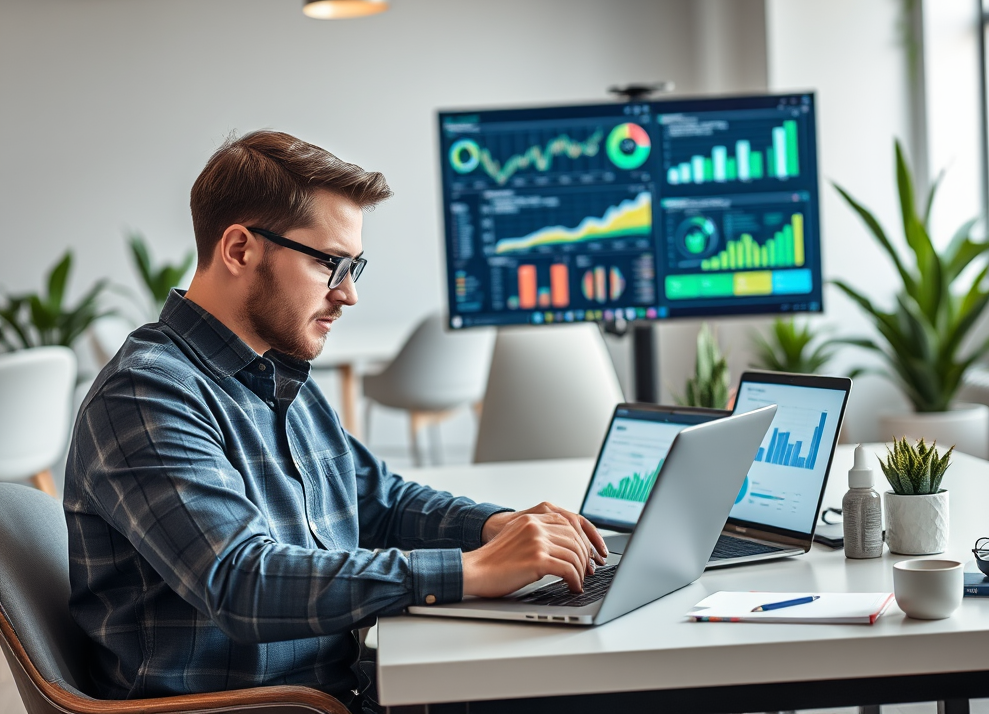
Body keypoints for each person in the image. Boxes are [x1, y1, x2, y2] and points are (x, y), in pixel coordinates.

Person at [63, 130, 607, 712]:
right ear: (240, 249)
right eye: (330, 263)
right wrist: (468, 570)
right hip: (263, 706)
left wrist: (494, 527)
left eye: (355, 267)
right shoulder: (148, 393)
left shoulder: (278, 372)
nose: (347, 294)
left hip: (334, 691)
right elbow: (240, 581)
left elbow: (376, 501)